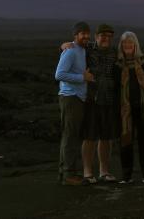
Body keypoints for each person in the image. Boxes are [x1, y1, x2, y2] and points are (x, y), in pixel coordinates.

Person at [63, 23, 120, 184]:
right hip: (91, 99)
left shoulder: (115, 52)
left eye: (109, 36)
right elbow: (72, 48)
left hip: (109, 99)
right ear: (96, 37)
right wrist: (63, 46)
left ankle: (104, 171)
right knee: (89, 136)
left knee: (106, 137)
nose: (106, 39)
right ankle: (87, 172)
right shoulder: (88, 49)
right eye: (103, 36)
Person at [116, 31, 144, 184]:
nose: (127, 45)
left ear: (136, 45)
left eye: (130, 43)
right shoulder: (118, 64)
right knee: (125, 141)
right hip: (124, 109)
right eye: (125, 43)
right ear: (121, 46)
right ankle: (126, 176)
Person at [55, 21, 95, 186]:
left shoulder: (83, 49)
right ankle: (68, 175)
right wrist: (81, 78)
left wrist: (60, 46)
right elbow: (59, 74)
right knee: (70, 136)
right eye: (82, 33)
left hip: (78, 98)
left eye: (87, 33)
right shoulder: (71, 51)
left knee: (71, 136)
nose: (85, 36)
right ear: (75, 35)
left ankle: (66, 173)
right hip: (70, 97)